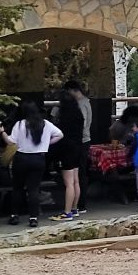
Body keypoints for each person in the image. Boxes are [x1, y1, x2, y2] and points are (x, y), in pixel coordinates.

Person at [1, 101, 63, 227]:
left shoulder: (20, 124)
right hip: (38, 159)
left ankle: (14, 216)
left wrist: (1, 132)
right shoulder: (45, 124)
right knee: (34, 189)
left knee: (17, 188)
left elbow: (10, 142)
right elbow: (60, 135)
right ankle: (33, 218)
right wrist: (46, 144)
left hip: (21, 158)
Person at [49, 93, 83, 221]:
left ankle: (67, 212)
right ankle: (75, 209)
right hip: (78, 148)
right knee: (75, 180)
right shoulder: (79, 115)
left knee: (68, 183)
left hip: (66, 150)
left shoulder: (63, 118)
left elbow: (59, 135)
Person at [63, 80, 92, 214]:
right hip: (83, 140)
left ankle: (79, 205)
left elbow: (83, 123)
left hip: (80, 141)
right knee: (78, 174)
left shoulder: (80, 104)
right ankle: (77, 205)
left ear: (72, 90)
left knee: (78, 175)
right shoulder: (87, 101)